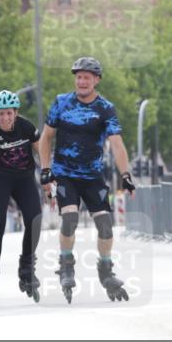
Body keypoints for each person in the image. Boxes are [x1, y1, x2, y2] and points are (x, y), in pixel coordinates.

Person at [37, 56, 135, 303]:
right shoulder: (61, 103)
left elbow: (117, 144)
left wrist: (126, 175)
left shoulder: (105, 108)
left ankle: (105, 270)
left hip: (93, 176)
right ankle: (66, 263)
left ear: (96, 80)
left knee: (105, 225)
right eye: (78, 77)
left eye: (87, 77)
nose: (81, 81)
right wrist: (46, 169)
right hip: (65, 174)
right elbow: (46, 138)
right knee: (69, 217)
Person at [0, 90, 43, 307]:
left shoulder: (27, 127)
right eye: (0, 114)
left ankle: (26, 268)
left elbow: (43, 154)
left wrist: (50, 179)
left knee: (35, 220)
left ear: (16, 112)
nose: (5, 118)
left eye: (9, 114)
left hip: (24, 179)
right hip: (0, 180)